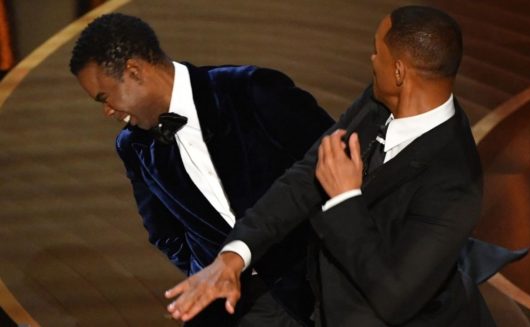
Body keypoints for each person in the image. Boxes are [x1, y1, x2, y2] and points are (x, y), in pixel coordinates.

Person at [164, 5, 520, 326]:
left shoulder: (456, 181)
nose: (370, 58)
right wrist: (234, 255)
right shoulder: (380, 100)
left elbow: (394, 298)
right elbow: (306, 176)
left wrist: (345, 199)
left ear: (399, 71)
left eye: (377, 50)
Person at [69, 13, 334, 327]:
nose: (107, 111)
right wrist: (208, 269)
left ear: (134, 72)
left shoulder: (251, 90)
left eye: (105, 97)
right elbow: (163, 233)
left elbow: (337, 164)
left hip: (317, 286)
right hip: (232, 310)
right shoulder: (132, 146)